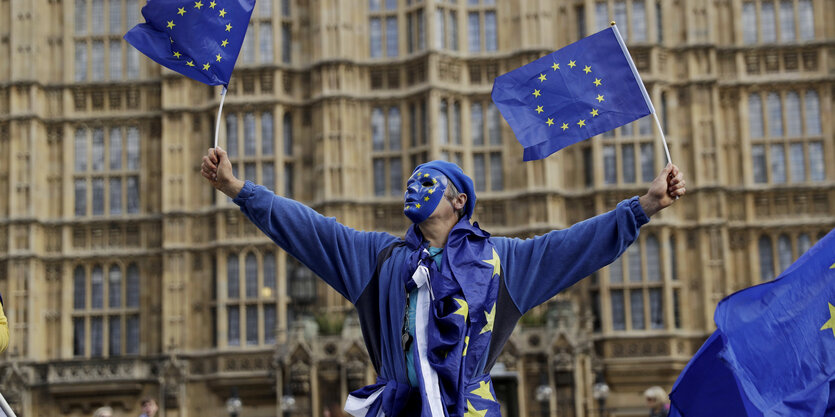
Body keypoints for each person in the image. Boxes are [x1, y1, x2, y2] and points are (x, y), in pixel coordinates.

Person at [201, 147, 685, 417]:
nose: (412, 187)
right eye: (410, 182)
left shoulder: (501, 261)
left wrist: (641, 207)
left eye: (426, 182)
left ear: (459, 202)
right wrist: (238, 189)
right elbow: (308, 229)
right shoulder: (382, 259)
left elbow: (575, 246)